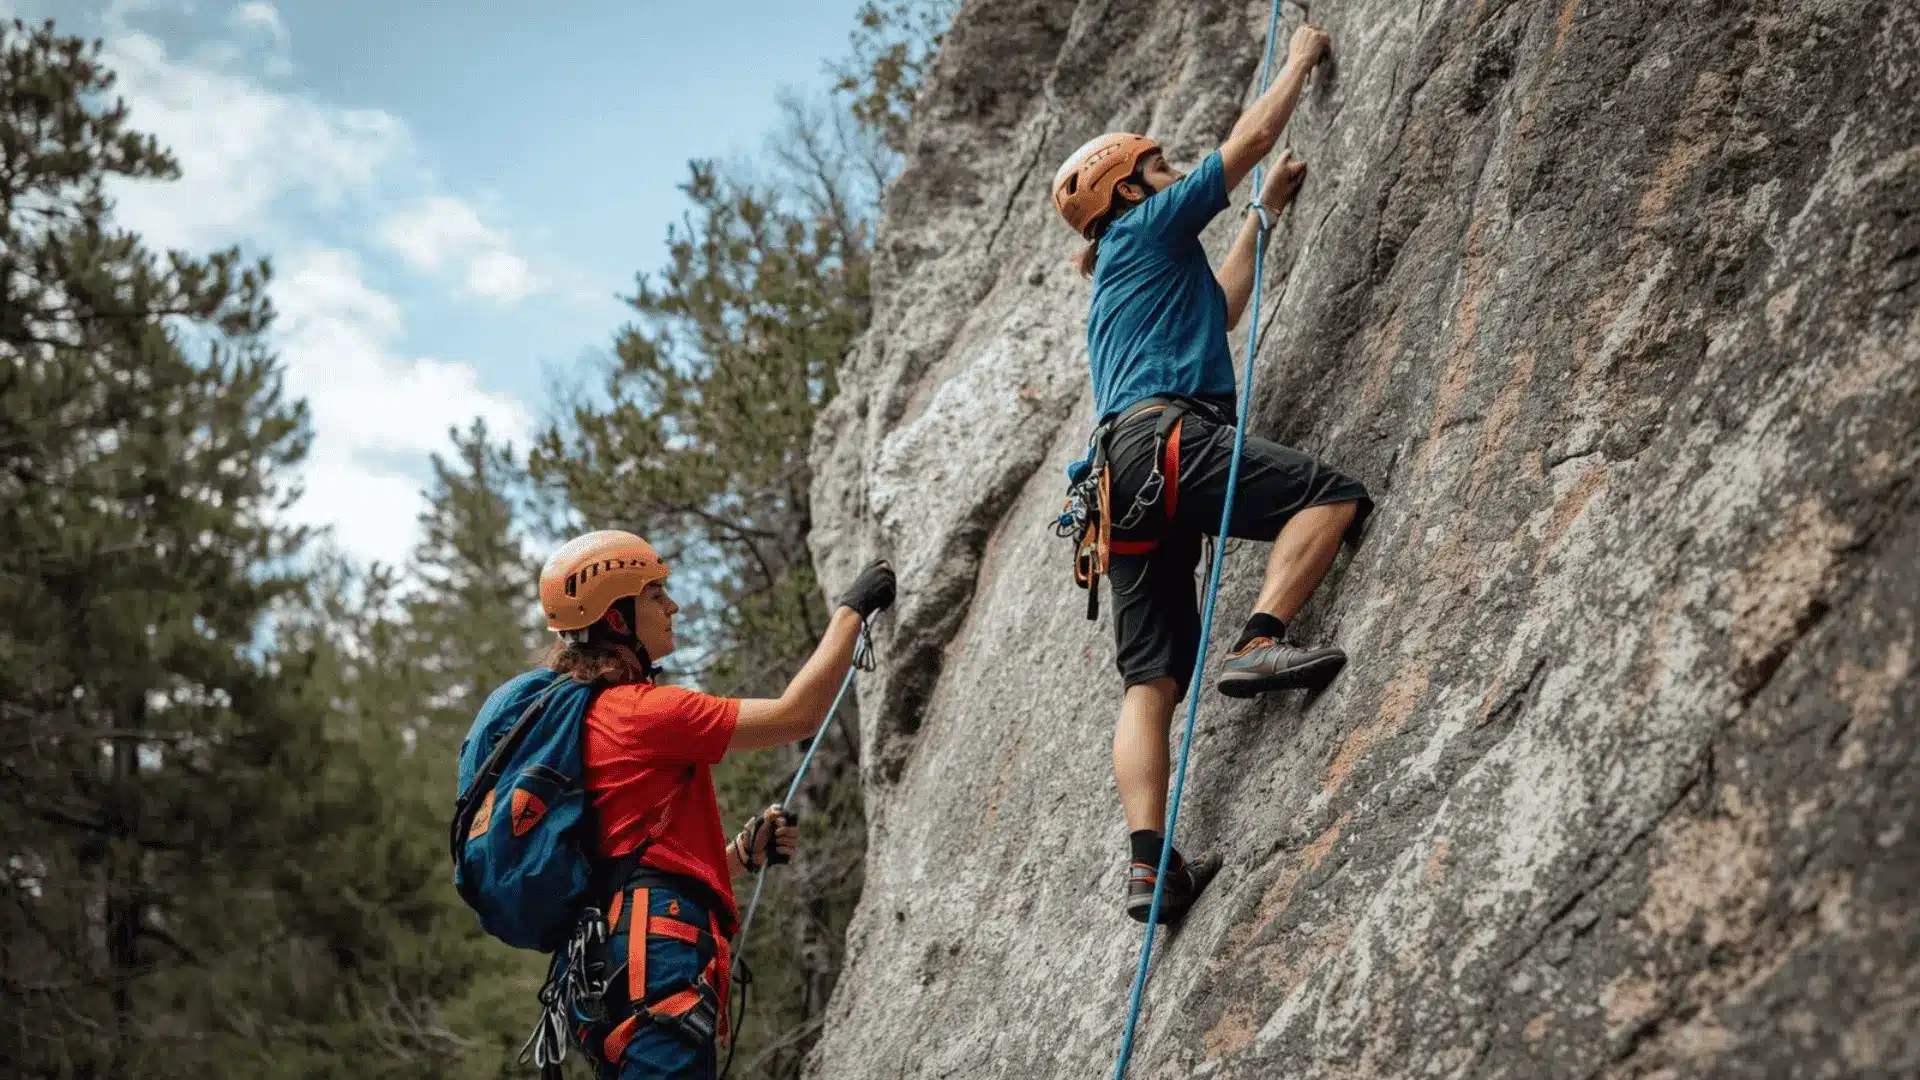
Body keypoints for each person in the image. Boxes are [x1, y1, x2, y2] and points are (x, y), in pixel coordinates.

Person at [1051, 23, 1373, 925]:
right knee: (1330, 494)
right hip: (1165, 445)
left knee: (1149, 684)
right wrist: (1302, 56)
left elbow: (1220, 307)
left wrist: (1265, 216)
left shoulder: (1133, 272)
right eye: (1155, 166)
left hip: (1117, 488)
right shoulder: (1147, 225)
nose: (1170, 171)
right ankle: (1262, 636)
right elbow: (1249, 140)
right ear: (1129, 188)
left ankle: (1149, 864)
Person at [538, 530, 895, 1079]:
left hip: (610, 966)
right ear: (616, 620)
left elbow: (629, 872)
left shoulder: (583, 722)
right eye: (655, 595)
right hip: (652, 966)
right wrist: (853, 609)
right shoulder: (640, 712)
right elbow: (795, 715)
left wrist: (736, 858)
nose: (671, 606)